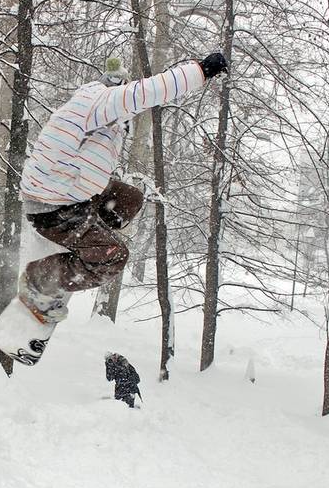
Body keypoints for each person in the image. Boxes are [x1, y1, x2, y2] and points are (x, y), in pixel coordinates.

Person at [15, 53, 229, 324]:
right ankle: (38, 282)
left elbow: (127, 107)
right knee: (113, 258)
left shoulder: (94, 106)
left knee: (128, 198)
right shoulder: (102, 101)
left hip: (67, 193)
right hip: (54, 207)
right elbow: (150, 91)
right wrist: (200, 71)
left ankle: (87, 240)